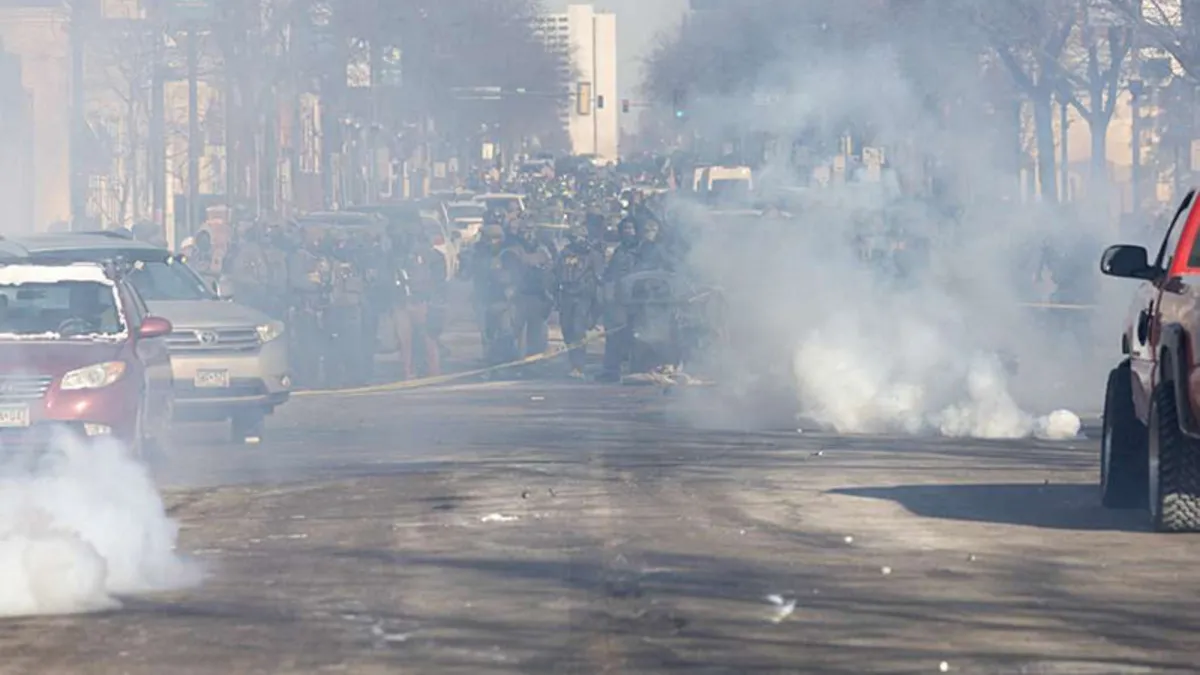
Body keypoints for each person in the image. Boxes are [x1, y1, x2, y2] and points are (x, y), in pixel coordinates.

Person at [555, 223, 604, 379]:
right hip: (566, 296)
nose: (579, 239)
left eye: (582, 236)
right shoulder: (564, 254)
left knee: (578, 330)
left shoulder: (594, 255)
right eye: (576, 236)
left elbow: (600, 280)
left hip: (583, 297)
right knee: (567, 330)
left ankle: (579, 366)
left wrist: (596, 308)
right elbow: (555, 273)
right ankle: (572, 363)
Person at [598, 217, 641, 382]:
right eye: (625, 228)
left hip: (637, 301)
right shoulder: (619, 251)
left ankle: (634, 369)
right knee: (614, 336)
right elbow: (610, 274)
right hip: (618, 301)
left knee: (635, 337)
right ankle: (611, 370)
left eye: (631, 228)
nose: (628, 232)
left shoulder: (641, 251)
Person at [505, 222, 555, 359]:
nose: (528, 235)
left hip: (539, 297)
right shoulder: (512, 250)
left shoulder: (543, 250)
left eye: (530, 231)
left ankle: (535, 362)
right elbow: (510, 272)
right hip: (519, 297)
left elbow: (550, 271)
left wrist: (549, 293)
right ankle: (510, 362)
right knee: (512, 332)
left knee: (537, 334)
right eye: (524, 231)